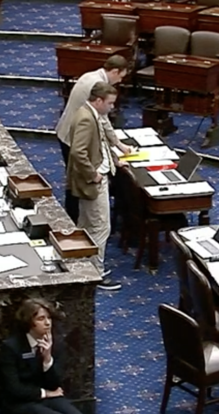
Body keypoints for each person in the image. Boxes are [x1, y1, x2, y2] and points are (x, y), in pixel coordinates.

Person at [55, 55, 132, 224]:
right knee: (78, 179)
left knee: (74, 178)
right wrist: (118, 145)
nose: (119, 81)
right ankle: (75, 220)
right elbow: (102, 121)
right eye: (120, 77)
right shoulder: (97, 86)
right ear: (114, 71)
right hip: (74, 136)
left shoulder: (90, 75)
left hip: (67, 131)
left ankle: (75, 218)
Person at [68, 82, 124, 291]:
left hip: (94, 178)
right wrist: (94, 175)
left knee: (86, 225)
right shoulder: (85, 118)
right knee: (100, 227)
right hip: (92, 182)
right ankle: (96, 273)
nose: (112, 107)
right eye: (109, 103)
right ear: (98, 100)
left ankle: (84, 265)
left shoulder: (92, 114)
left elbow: (99, 144)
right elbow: (78, 153)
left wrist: (115, 158)